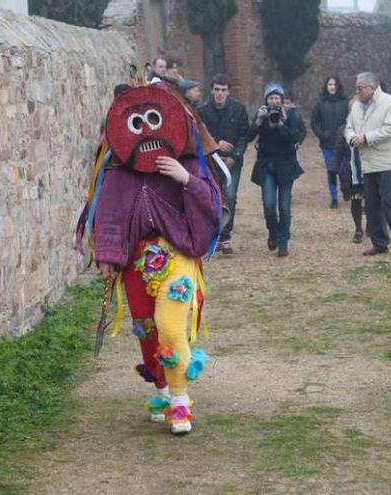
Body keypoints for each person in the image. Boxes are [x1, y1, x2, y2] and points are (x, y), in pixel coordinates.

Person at [76, 82, 221, 435]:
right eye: (136, 123)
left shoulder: (188, 161)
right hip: (136, 263)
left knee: (171, 326)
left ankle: (179, 402)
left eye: (154, 119)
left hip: (178, 258)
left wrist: (186, 179)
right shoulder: (117, 171)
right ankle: (161, 387)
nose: (145, 131)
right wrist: (107, 255)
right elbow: (107, 214)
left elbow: (214, 205)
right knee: (147, 330)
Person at [344, 72, 391, 256]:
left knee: (389, 200)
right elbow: (348, 126)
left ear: (372, 88)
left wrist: (366, 138)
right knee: (371, 203)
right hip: (368, 162)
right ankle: (379, 242)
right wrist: (351, 139)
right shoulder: (356, 106)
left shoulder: (390, 102)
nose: (357, 92)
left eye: (360, 88)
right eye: (356, 88)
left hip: (388, 161)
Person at [247, 82, 304, 257]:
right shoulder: (261, 114)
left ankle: (283, 241)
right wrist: (258, 121)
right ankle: (273, 231)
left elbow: (295, 137)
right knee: (269, 204)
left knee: (285, 206)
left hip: (286, 165)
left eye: (277, 98)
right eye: (271, 98)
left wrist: (281, 123)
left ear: (281, 99)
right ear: (266, 99)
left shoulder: (290, 115)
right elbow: (249, 136)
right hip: (267, 165)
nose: (274, 101)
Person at [197, 73, 250, 256]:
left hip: (232, 161)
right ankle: (212, 234)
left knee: (230, 195)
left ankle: (225, 236)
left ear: (229, 92)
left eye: (223, 90)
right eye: (217, 89)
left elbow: (245, 135)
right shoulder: (202, 111)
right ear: (212, 90)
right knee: (211, 196)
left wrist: (234, 156)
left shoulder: (239, 110)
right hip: (211, 160)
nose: (220, 93)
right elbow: (199, 136)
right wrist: (215, 145)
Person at [311, 75, 349, 208]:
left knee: (344, 169)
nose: (332, 87)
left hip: (343, 143)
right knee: (331, 170)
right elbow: (314, 122)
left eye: (335, 84)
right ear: (326, 87)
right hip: (327, 143)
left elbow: (350, 121)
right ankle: (334, 197)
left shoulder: (345, 103)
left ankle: (345, 189)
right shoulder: (320, 103)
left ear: (339, 86)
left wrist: (347, 134)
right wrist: (321, 135)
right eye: (330, 84)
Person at [333, 124, 364, 243]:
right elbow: (338, 151)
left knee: (373, 200)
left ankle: (373, 226)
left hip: (370, 169)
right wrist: (333, 169)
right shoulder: (344, 130)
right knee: (356, 200)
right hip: (352, 172)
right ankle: (358, 229)